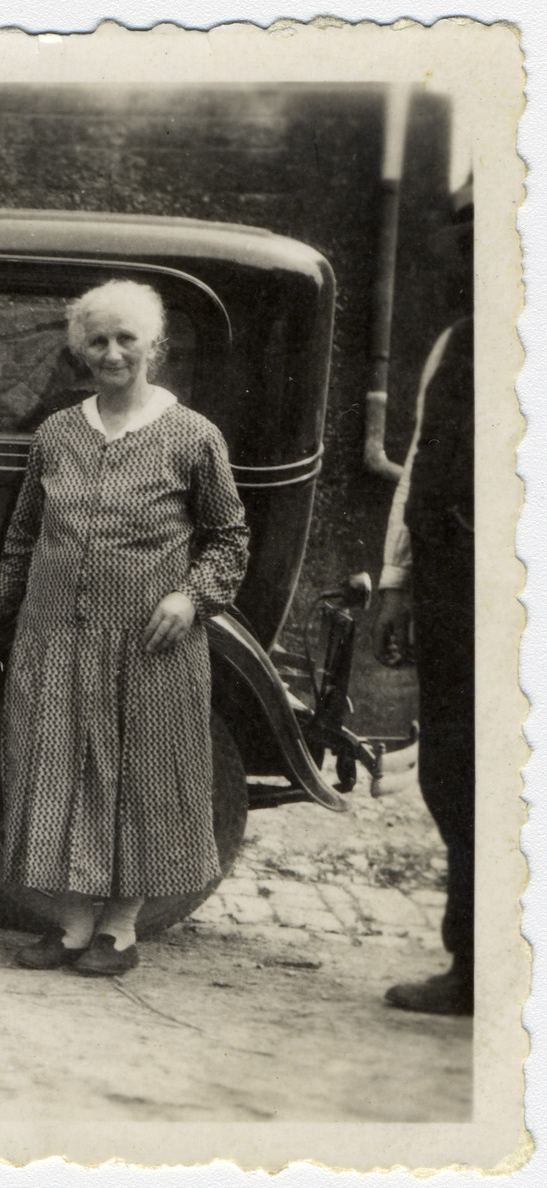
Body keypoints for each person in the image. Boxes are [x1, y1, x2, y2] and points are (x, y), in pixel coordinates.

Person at [0, 279, 249, 978]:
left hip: (150, 643)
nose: (112, 353)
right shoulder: (56, 433)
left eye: (126, 339)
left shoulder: (193, 437)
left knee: (142, 777)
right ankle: (72, 923)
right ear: (80, 351)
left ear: (154, 347)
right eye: (97, 341)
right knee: (58, 772)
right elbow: (22, 539)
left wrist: (190, 598)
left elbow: (229, 539)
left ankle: (120, 927)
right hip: (54, 638)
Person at [377, 188, 474, 1016]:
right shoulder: (458, 344)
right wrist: (401, 586)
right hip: (457, 584)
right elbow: (417, 463)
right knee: (457, 772)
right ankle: (475, 968)